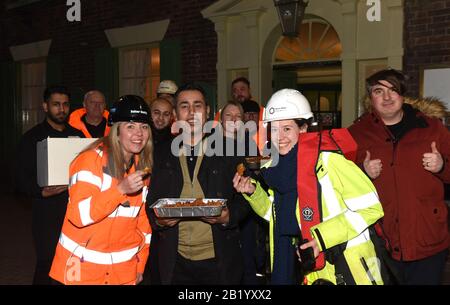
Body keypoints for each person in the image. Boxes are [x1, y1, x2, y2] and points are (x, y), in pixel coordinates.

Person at [233, 89, 384, 285]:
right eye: (274, 129)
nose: (279, 137)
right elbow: (277, 216)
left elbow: (371, 208)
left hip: (346, 268)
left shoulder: (329, 161)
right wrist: (254, 193)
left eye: (287, 129)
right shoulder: (274, 169)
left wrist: (320, 238)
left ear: (303, 129)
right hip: (302, 270)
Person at [348, 69, 450, 285]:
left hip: (427, 241)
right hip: (379, 241)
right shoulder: (356, 133)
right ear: (370, 98)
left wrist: (442, 166)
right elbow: (339, 183)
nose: (387, 97)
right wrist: (361, 172)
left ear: (402, 95)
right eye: (379, 91)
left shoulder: (432, 128)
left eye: (393, 90)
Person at [146, 83, 250, 285]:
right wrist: (159, 221)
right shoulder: (160, 153)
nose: (191, 112)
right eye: (184, 106)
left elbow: (246, 199)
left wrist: (228, 217)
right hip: (174, 262)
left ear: (208, 111)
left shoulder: (230, 150)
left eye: (198, 105)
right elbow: (150, 203)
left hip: (219, 261)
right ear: (176, 113)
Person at [49, 95, 152, 285]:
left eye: (144, 127)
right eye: (130, 126)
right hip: (80, 271)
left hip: (122, 272)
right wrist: (120, 190)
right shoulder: (90, 161)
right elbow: (78, 216)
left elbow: (144, 225)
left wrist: (140, 265)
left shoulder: (142, 168)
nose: (139, 133)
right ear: (116, 131)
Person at [16, 85, 84, 285]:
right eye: (56, 104)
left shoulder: (79, 137)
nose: (61, 109)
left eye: (65, 104)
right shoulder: (31, 138)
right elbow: (20, 178)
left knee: (74, 264)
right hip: (46, 213)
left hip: (75, 212)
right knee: (47, 265)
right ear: (45, 106)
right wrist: (40, 192)